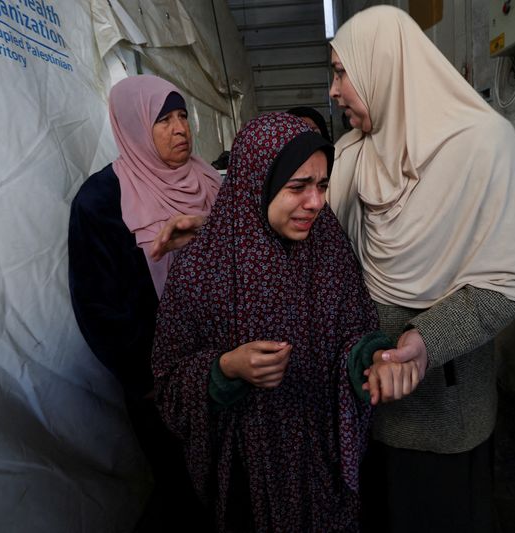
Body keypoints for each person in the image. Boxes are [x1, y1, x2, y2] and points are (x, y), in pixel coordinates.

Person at [327, 6, 515, 532]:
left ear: (383, 65)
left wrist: (424, 340)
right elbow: (328, 263)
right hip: (366, 404)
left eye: (340, 71)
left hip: (447, 413)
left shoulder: (484, 147)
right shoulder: (351, 157)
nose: (333, 90)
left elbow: (510, 283)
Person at [151, 112, 419, 532]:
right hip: (249, 475)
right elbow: (167, 385)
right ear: (257, 183)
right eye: (297, 187)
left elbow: (356, 329)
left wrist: (373, 358)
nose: (315, 203)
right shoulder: (200, 271)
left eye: (322, 185)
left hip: (321, 463)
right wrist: (225, 370)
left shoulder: (328, 247)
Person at [68, 74, 219, 531]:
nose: (180, 130)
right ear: (133, 126)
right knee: (185, 487)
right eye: (163, 120)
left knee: (235, 474)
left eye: (181, 117)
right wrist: (145, 376)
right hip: (160, 378)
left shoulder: (209, 180)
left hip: (227, 360)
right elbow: (96, 306)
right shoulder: (100, 201)